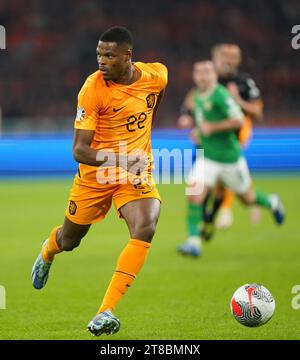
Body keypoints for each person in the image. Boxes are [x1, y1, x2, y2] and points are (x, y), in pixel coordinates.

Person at [31, 26, 168, 336]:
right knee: (70, 241)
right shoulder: (92, 89)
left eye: (109, 55)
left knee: (146, 226)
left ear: (127, 56)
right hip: (96, 175)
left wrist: (141, 143)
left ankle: (105, 311)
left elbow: (154, 100)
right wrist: (123, 159)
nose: (102, 61)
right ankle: (48, 251)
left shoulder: (156, 75)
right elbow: (79, 150)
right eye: (98, 54)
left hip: (134, 173)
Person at [177, 60, 284, 257]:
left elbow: (239, 120)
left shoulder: (221, 95)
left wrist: (211, 129)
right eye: (199, 72)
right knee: (194, 193)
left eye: (207, 72)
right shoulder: (198, 95)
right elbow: (204, 122)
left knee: (247, 199)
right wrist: (199, 132)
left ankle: (271, 201)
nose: (202, 76)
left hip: (230, 159)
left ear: (214, 75)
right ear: (194, 76)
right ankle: (193, 242)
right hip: (207, 157)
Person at [211, 43, 264, 229]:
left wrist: (238, 100)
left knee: (223, 168)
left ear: (239, 60)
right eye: (225, 55)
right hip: (213, 134)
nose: (229, 60)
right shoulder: (210, 80)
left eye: (233, 56)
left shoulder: (244, 82)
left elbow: (258, 112)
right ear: (216, 58)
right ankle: (254, 200)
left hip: (237, 133)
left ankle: (224, 211)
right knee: (224, 174)